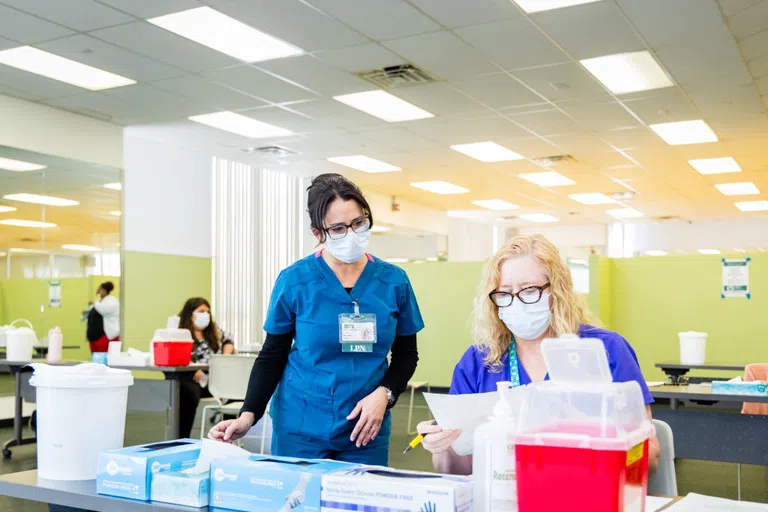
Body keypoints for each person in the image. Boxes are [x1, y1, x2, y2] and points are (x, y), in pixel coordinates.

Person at [208, 173, 424, 466]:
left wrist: (384, 395)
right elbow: (272, 354)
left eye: (358, 223)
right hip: (301, 425)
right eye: (337, 228)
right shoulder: (295, 281)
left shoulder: (393, 281)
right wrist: (248, 416)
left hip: (365, 428)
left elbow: (406, 355)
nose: (351, 233)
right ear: (317, 233)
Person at [417, 234, 661, 474]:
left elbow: (649, 455)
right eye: (504, 293)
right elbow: (459, 471)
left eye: (529, 290)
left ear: (556, 292)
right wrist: (442, 447)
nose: (516, 302)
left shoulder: (606, 351)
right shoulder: (477, 362)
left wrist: (592, 442)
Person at [178, 297, 234, 439]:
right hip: (192, 378)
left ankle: (226, 435)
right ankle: (182, 438)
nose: (206, 315)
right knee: (188, 393)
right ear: (190, 313)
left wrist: (225, 355)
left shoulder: (214, 331)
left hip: (214, 379)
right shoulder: (180, 332)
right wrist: (193, 369)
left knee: (233, 392)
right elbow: (178, 354)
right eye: (201, 311)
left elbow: (229, 339)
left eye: (208, 312)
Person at [89, 282, 119, 353]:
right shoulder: (104, 301)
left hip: (110, 334)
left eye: (100, 289)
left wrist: (96, 301)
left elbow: (103, 310)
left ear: (104, 290)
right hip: (100, 335)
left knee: (104, 357)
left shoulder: (112, 301)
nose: (98, 291)